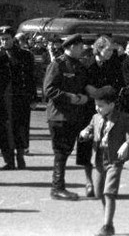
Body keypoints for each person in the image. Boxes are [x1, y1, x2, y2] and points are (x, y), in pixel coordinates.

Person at [79, 88, 129, 236]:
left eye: (101, 105)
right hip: (99, 160)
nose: (97, 108)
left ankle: (107, 226)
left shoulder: (123, 118)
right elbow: (90, 128)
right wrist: (84, 133)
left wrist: (127, 145)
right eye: (96, 105)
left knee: (109, 193)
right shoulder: (96, 117)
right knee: (99, 192)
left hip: (115, 160)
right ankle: (109, 220)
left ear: (111, 105)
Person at [44, 33, 91, 200]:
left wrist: (86, 96)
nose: (82, 50)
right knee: (61, 152)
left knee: (66, 151)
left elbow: (84, 85)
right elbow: (49, 89)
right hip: (59, 116)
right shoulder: (58, 64)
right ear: (71, 46)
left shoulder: (79, 66)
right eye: (79, 47)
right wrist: (70, 97)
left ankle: (59, 186)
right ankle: (57, 188)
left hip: (73, 116)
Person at [0, 25, 37, 171]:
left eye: (7, 39)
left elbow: (30, 77)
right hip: (2, 97)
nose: (4, 42)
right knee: (3, 128)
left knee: (20, 127)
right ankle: (8, 160)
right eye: (1, 39)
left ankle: (20, 157)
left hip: (19, 96)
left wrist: (33, 97)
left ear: (13, 38)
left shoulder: (25, 55)